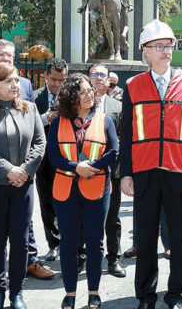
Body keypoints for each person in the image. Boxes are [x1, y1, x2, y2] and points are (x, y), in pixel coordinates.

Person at [119, 19, 182, 309]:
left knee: (179, 240)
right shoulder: (133, 85)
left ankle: (175, 294)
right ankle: (146, 296)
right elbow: (127, 132)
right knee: (145, 238)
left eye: (169, 46)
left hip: (179, 172)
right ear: (145, 52)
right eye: (158, 46)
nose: (166, 51)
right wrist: (126, 173)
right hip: (144, 173)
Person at [0, 39, 52, 281]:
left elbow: (34, 131)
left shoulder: (25, 85)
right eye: (2, 55)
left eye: (11, 56)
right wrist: (7, 170)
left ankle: (30, 262)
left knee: (22, 231)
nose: (7, 59)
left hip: (24, 176)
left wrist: (25, 169)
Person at [0, 63, 46, 309]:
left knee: (20, 240)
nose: (15, 85)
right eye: (8, 81)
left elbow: (40, 143)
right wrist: (8, 170)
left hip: (23, 186)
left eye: (17, 80)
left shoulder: (31, 109)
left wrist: (24, 170)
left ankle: (17, 292)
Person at [48, 73, 118, 309]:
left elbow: (114, 152)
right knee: (68, 243)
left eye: (91, 90)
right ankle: (69, 292)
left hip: (97, 189)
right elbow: (53, 157)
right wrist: (75, 167)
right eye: (84, 91)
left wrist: (92, 167)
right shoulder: (58, 122)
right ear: (72, 96)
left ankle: (93, 292)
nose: (91, 94)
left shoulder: (105, 119)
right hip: (65, 190)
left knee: (95, 242)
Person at [88, 63, 125, 278]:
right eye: (95, 74)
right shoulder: (79, 104)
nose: (99, 78)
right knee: (86, 217)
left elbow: (123, 139)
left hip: (112, 170)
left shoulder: (117, 106)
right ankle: (84, 256)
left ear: (109, 79)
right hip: (84, 169)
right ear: (88, 77)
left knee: (112, 217)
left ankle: (113, 258)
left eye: (103, 75)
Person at [34, 58, 68, 262]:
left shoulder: (72, 97)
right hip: (43, 161)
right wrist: (47, 117)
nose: (57, 84)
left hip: (66, 159)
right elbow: (28, 124)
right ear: (46, 76)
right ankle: (53, 244)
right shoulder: (34, 97)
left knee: (66, 202)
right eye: (53, 79)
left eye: (62, 80)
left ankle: (69, 241)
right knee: (47, 203)